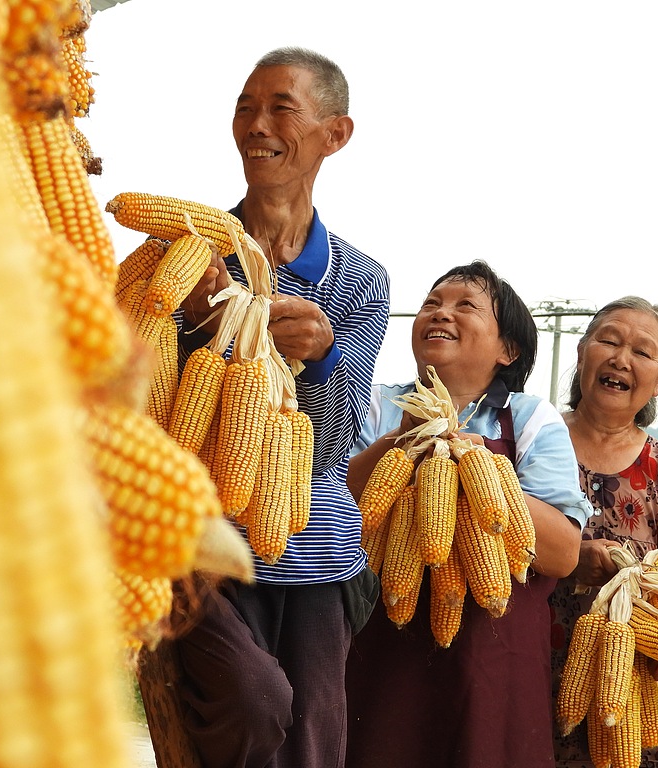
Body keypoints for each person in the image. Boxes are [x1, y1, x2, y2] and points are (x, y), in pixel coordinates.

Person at [142, 47, 390, 768]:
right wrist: (190, 322)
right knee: (254, 704)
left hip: (317, 557)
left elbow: (338, 441)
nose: (257, 125)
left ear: (334, 134)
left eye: (280, 107)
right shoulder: (187, 254)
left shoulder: (360, 282)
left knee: (312, 745)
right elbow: (150, 400)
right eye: (245, 108)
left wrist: (325, 357)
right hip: (205, 545)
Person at [344, 260, 594, 768]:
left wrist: (480, 468)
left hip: (494, 662)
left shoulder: (529, 419)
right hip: (381, 648)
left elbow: (564, 552)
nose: (441, 313)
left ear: (508, 349)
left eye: (466, 305)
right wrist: (401, 442)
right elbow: (343, 511)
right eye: (433, 303)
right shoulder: (372, 405)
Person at [549, 296, 658, 768]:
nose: (621, 359)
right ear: (582, 352)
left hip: (635, 710)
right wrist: (569, 557)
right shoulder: (529, 442)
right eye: (608, 340)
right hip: (525, 683)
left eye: (642, 352)